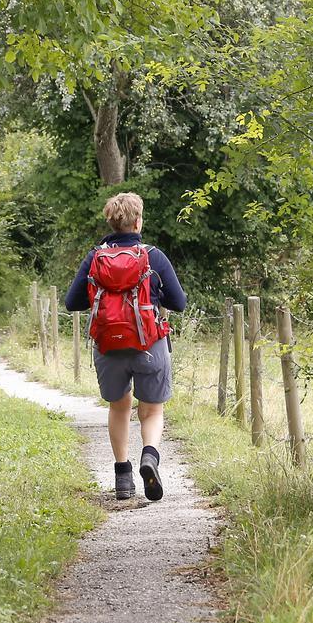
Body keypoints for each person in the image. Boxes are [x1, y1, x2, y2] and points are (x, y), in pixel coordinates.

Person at [65, 192, 187, 501]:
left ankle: (123, 477)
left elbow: (72, 302)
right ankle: (150, 456)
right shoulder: (153, 256)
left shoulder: (95, 258)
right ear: (138, 221)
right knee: (152, 409)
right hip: (149, 343)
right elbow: (179, 302)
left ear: (111, 222)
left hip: (108, 346)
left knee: (119, 407)